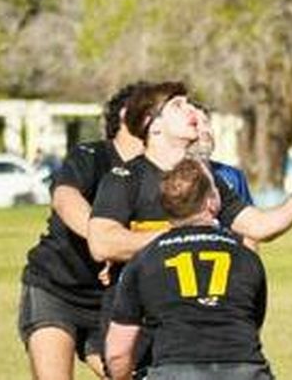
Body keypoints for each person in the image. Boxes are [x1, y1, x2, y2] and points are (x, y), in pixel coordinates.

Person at [88, 82, 292, 364]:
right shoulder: (124, 179)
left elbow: (258, 226)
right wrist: (182, 234)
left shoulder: (205, 179)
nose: (191, 109)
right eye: (177, 106)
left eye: (190, 103)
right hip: (139, 333)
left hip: (198, 331)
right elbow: (101, 242)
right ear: (152, 125)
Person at [20, 81, 148, 379]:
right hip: (56, 287)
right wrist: (103, 241)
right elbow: (65, 200)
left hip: (114, 299)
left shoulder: (155, 170)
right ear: (128, 113)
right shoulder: (90, 155)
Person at [105, 158, 273, 380]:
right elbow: (252, 326)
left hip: (174, 371)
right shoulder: (247, 258)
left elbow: (117, 354)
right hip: (246, 371)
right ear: (211, 203)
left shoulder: (144, 260)